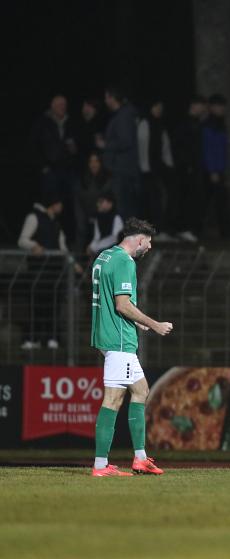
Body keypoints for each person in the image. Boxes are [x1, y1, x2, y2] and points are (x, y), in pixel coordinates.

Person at [89, 218, 173, 477]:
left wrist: (138, 322)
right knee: (113, 400)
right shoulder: (126, 262)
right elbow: (122, 304)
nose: (148, 248)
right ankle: (101, 465)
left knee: (141, 390)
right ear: (139, 240)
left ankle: (140, 458)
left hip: (107, 334)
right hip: (120, 340)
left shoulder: (105, 256)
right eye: (148, 243)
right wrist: (154, 323)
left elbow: (114, 301)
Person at [17, 197, 70, 350]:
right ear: (53, 204)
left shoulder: (56, 224)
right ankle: (33, 338)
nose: (61, 207)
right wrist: (34, 245)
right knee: (36, 305)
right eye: (59, 203)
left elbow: (62, 247)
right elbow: (22, 240)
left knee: (52, 306)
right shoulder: (34, 217)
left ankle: (51, 337)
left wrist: (71, 262)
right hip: (37, 271)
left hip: (53, 271)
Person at [29, 94, 79, 242]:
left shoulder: (71, 123)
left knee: (68, 208)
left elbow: (77, 146)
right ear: (52, 106)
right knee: (51, 206)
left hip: (67, 173)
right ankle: (48, 242)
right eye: (59, 105)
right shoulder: (42, 123)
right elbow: (33, 147)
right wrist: (43, 167)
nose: (62, 107)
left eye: (64, 105)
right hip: (50, 172)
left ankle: (67, 242)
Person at [97, 85, 140, 220]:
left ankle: (132, 239)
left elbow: (126, 141)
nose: (105, 101)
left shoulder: (123, 116)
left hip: (122, 170)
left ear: (113, 98)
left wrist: (105, 144)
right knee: (124, 207)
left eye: (107, 97)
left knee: (124, 208)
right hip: (120, 169)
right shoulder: (120, 115)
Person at [171, 95, 208, 242]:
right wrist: (187, 164)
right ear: (194, 106)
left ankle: (189, 228)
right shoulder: (186, 124)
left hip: (194, 167)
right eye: (201, 106)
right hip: (186, 168)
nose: (203, 110)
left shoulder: (197, 123)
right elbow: (182, 146)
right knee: (186, 198)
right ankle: (184, 228)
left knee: (194, 198)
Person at [137, 100, 175, 236]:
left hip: (159, 169)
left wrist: (169, 166)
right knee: (152, 201)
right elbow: (143, 147)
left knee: (160, 199)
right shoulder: (145, 123)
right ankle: (155, 230)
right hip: (148, 171)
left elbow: (165, 147)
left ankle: (161, 228)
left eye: (160, 107)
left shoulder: (160, 125)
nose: (159, 110)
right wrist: (145, 168)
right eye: (156, 107)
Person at [201, 93, 230, 239]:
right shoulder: (209, 125)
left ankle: (225, 231)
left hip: (220, 169)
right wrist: (213, 170)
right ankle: (201, 229)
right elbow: (208, 149)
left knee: (220, 201)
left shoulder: (220, 124)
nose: (222, 109)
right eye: (219, 106)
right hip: (212, 171)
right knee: (211, 201)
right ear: (212, 107)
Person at [77, 151, 113, 247]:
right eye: (91, 161)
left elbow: (108, 201)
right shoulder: (83, 180)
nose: (93, 164)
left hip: (103, 221)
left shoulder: (107, 179)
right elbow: (79, 202)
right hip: (86, 219)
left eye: (96, 161)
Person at [71, 98, 103, 166]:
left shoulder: (99, 124)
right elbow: (71, 143)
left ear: (95, 109)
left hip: (92, 164)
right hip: (76, 163)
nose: (85, 108)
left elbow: (99, 146)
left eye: (88, 106)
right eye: (84, 105)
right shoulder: (76, 122)